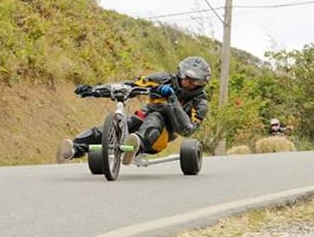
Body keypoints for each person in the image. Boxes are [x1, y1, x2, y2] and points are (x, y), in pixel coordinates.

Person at [56, 56, 211, 165]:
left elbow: (187, 130)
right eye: (186, 77)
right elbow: (130, 85)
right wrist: (95, 89)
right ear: (180, 73)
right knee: (127, 121)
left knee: (156, 116)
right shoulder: (161, 79)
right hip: (143, 117)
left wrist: (172, 99)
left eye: (195, 81)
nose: (188, 83)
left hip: (162, 134)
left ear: (202, 83)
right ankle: (75, 148)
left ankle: (136, 144)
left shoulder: (201, 102)